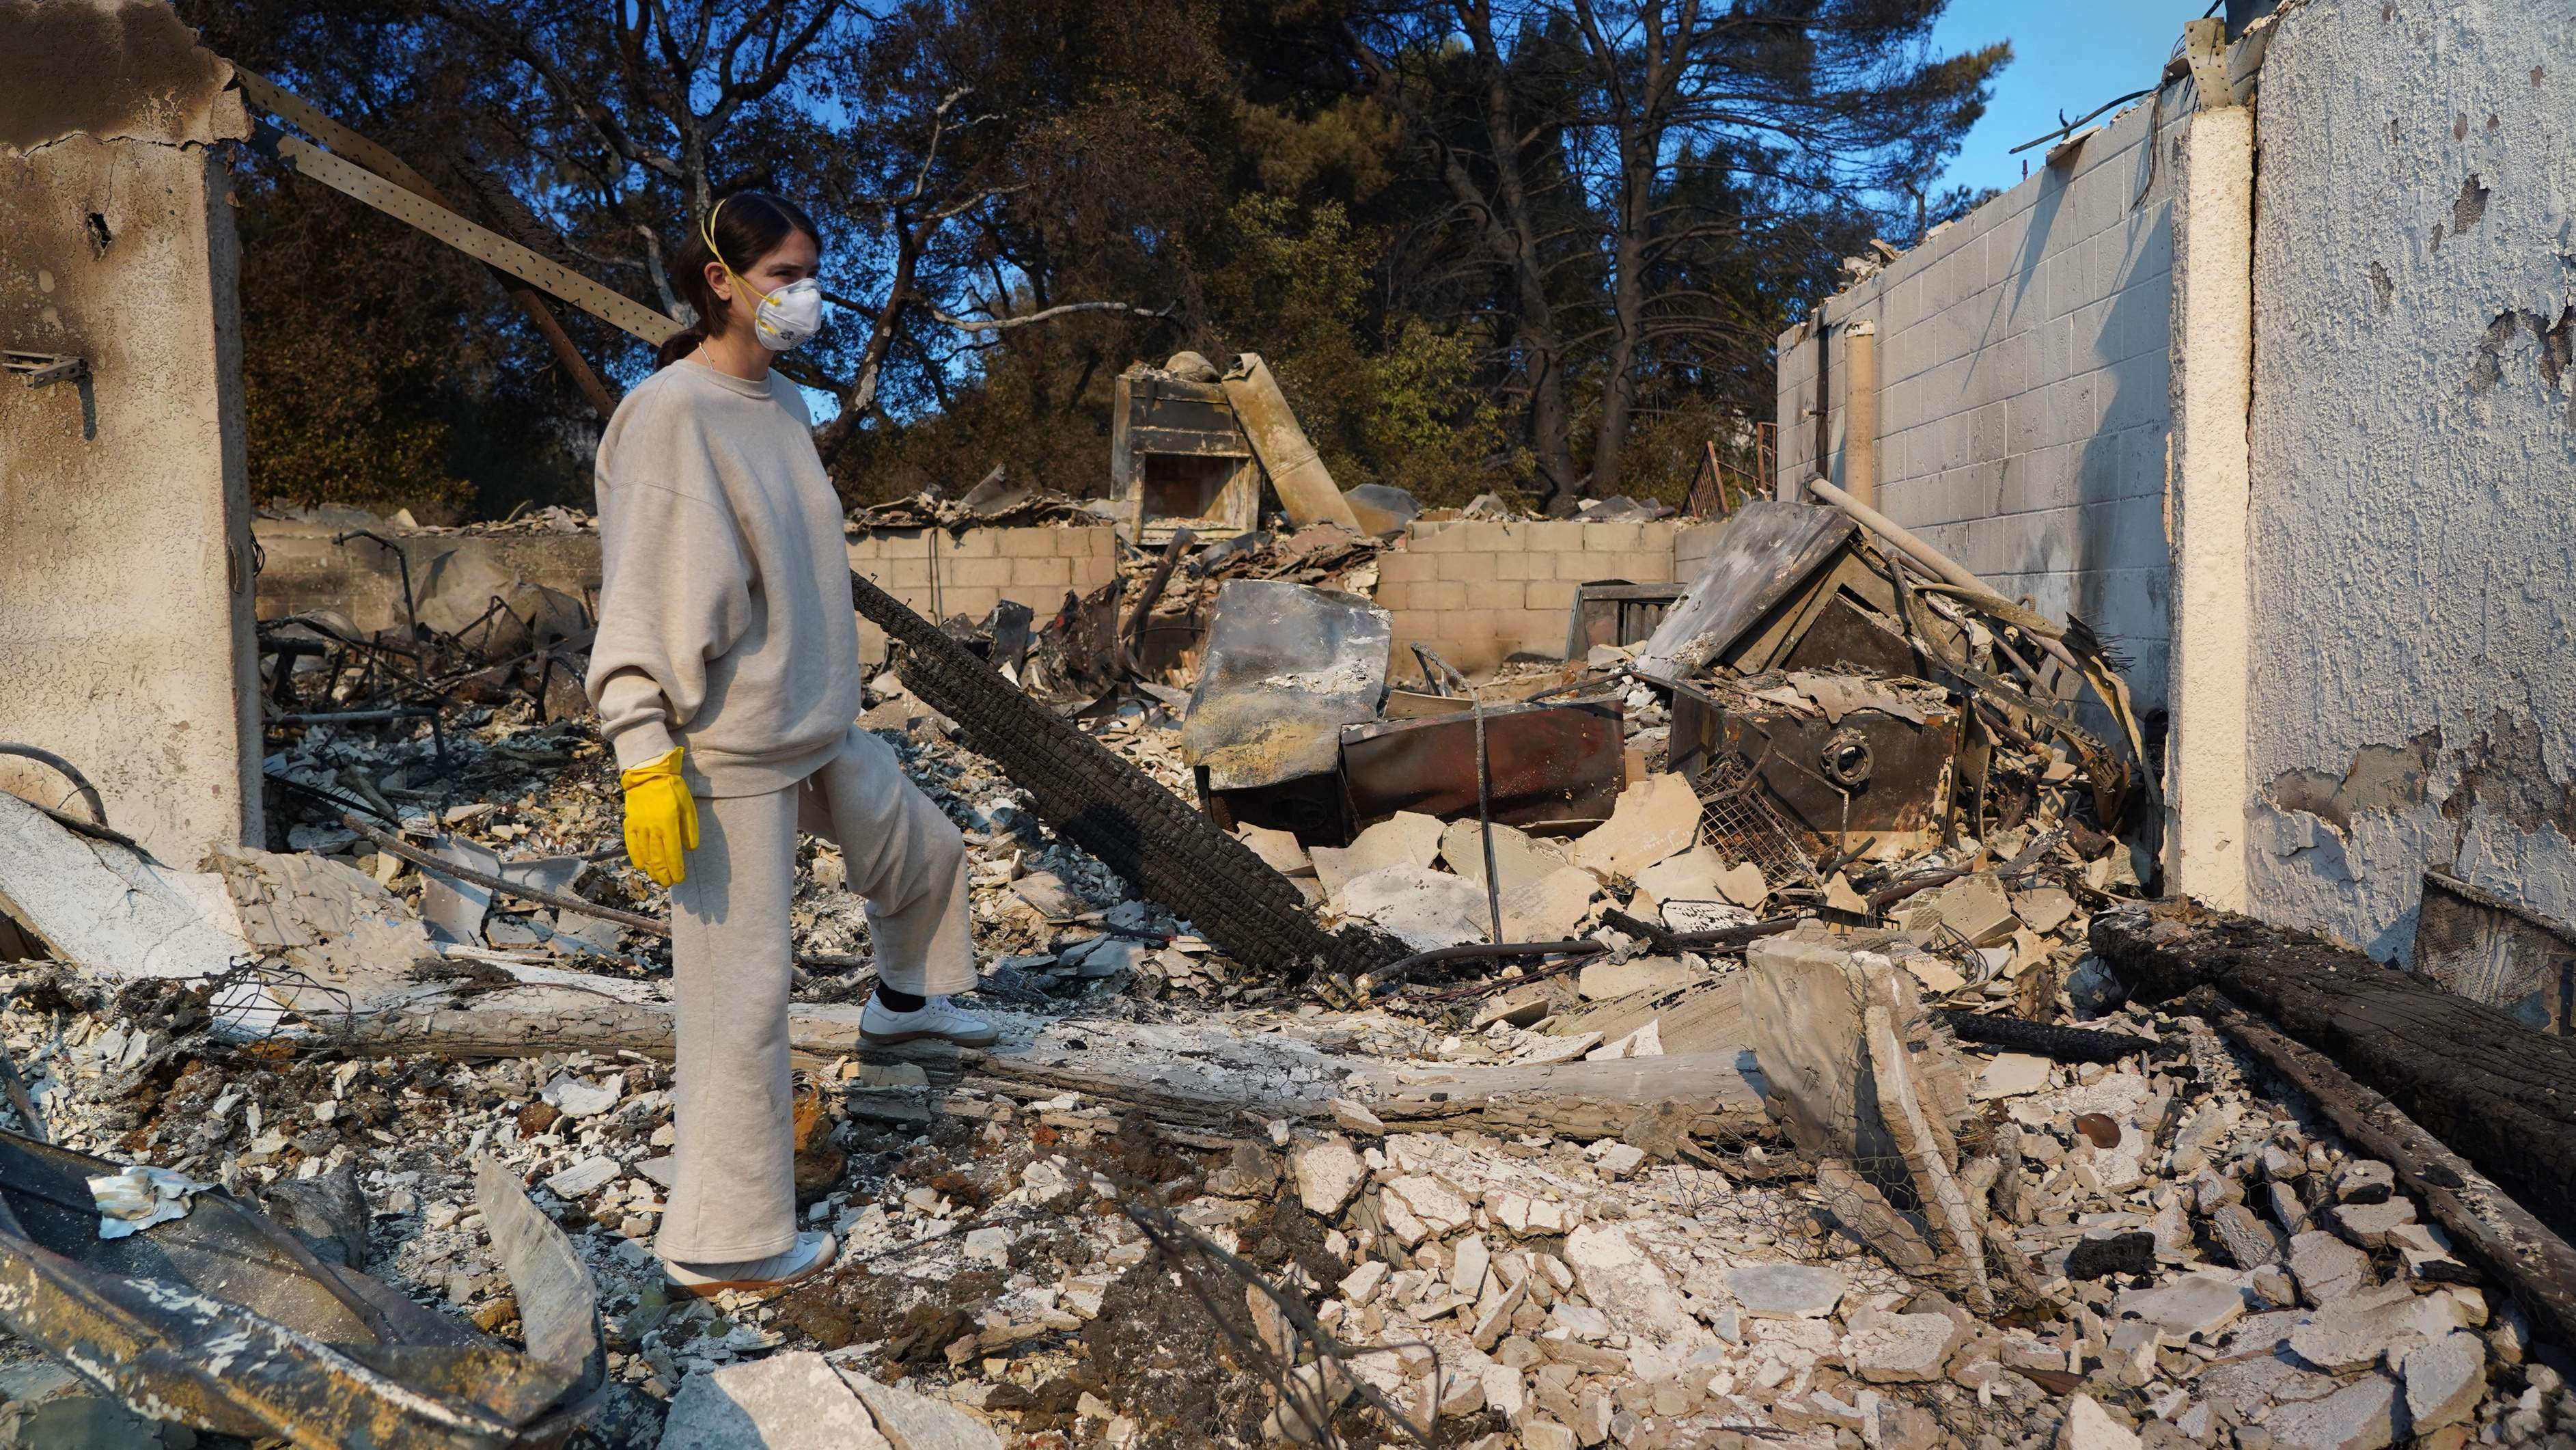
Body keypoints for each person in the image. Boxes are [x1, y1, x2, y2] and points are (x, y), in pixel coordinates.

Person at [586, 192, 997, 1296]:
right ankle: (726, 1242)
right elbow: (641, 600)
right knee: (742, 1003)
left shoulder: (780, 403)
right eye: (785, 273)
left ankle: (905, 1009)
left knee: (925, 853)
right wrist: (644, 754)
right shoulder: (672, 417)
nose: (805, 293)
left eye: (811, 270)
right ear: (721, 280)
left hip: (814, 723)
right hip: (722, 755)